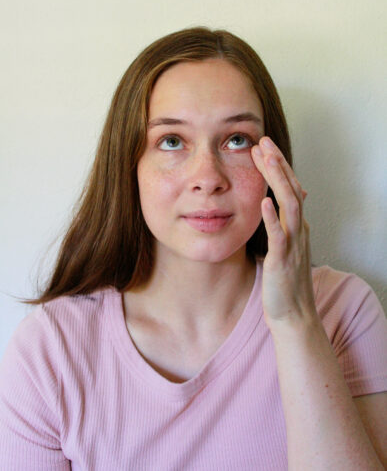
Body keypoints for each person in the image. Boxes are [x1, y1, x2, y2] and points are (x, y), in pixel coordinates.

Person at [0, 27, 386, 470]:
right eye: (171, 141)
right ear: (129, 165)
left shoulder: (344, 311)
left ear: (272, 160)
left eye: (237, 139)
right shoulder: (50, 352)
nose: (208, 177)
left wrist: (295, 321)